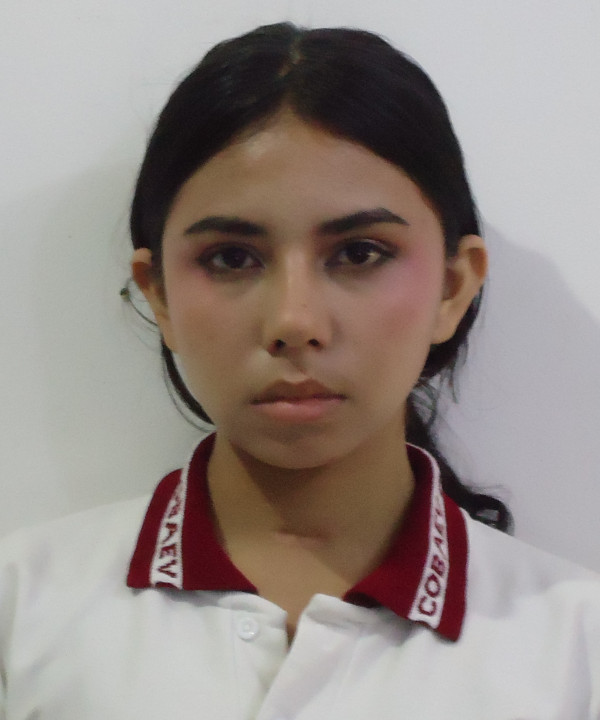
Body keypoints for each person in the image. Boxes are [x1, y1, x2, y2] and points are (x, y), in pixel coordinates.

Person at [1, 22, 599, 719]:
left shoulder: (574, 647)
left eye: (360, 253)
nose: (294, 320)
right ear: (158, 293)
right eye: (231, 258)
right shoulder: (24, 608)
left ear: (452, 287)